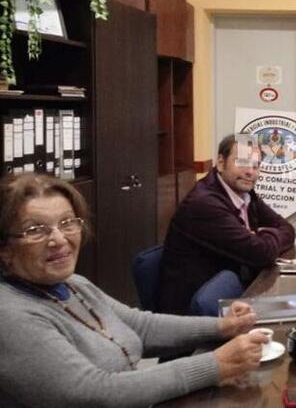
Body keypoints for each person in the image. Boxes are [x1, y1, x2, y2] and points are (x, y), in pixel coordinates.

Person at [0, 173, 270, 407]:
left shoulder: (73, 285)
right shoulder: (10, 316)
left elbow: (141, 326)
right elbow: (93, 392)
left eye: (68, 223)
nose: (59, 240)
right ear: (4, 249)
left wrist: (223, 326)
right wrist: (216, 364)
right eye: (35, 230)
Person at [157, 134, 296, 315]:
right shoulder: (204, 203)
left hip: (233, 293)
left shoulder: (245, 192)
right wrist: (265, 238)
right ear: (221, 163)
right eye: (243, 163)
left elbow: (287, 229)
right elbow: (261, 253)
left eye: (256, 165)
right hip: (193, 314)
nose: (251, 172)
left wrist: (263, 237)